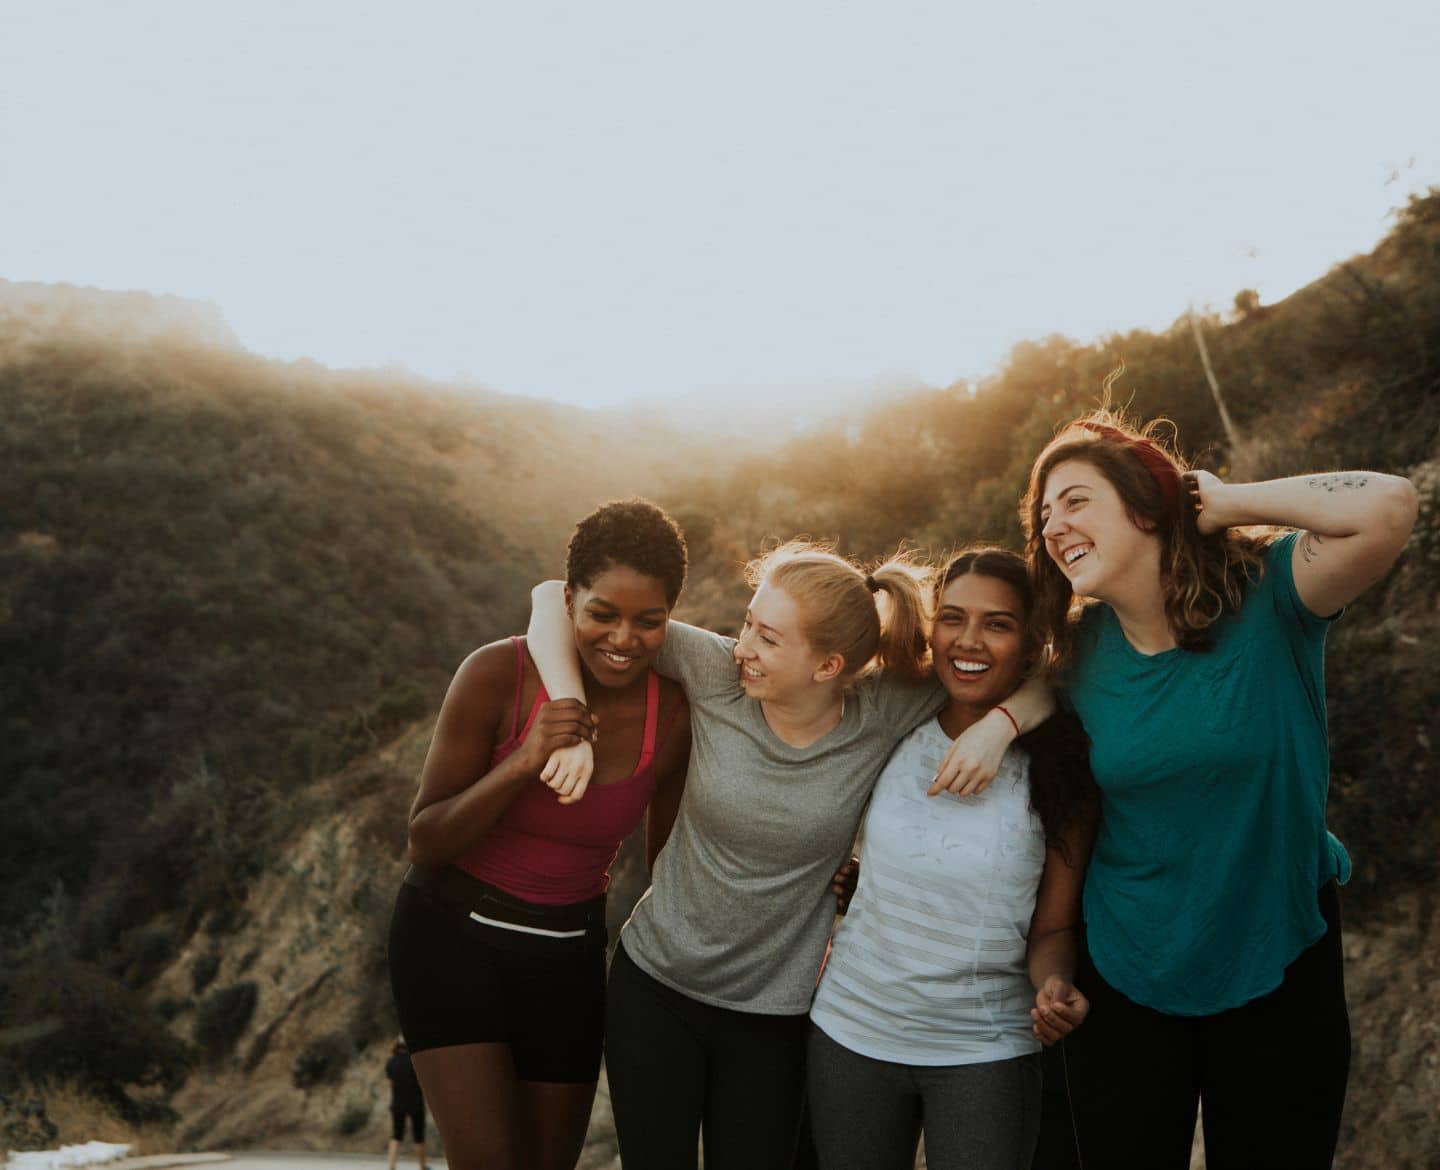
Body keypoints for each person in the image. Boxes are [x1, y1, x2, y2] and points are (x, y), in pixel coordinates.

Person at [528, 541, 1054, 1170]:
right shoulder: (717, 671)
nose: (743, 645)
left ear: (829, 664)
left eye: (769, 638)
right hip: (656, 987)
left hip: (775, 1014)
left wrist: (1002, 725)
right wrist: (571, 720)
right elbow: (550, 601)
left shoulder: (884, 708)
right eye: (749, 622)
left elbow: (1051, 672)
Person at [1022, 407, 1418, 1170]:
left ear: (1147, 506)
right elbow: (1019, 688)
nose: (1053, 525)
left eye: (1075, 500)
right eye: (1043, 512)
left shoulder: (1274, 598)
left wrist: (1223, 500)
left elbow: (1390, 505)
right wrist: (996, 723)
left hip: (1279, 943)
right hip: (1128, 964)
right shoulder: (1078, 651)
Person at [387, 499, 692, 1170]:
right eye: (602, 614)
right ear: (569, 603)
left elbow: (670, 866)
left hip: (567, 953)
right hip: (450, 938)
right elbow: (426, 841)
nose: (623, 638)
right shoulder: (498, 673)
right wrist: (525, 759)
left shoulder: (672, 715)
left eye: (649, 621)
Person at [806, 547, 1097, 1170]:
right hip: (851, 1031)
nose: (969, 641)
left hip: (985, 1049)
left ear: (1030, 644)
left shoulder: (1062, 769)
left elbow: (1052, 928)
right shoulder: (890, 719)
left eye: (998, 623)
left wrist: (1055, 985)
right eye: (953, 618)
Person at [385, 1038, 427, 1170]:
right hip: (416, 1103)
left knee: (396, 1135)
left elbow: (389, 1083)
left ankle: (391, 1165)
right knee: (418, 1136)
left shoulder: (391, 1062)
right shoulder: (415, 1061)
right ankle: (422, 1166)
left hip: (398, 1103)